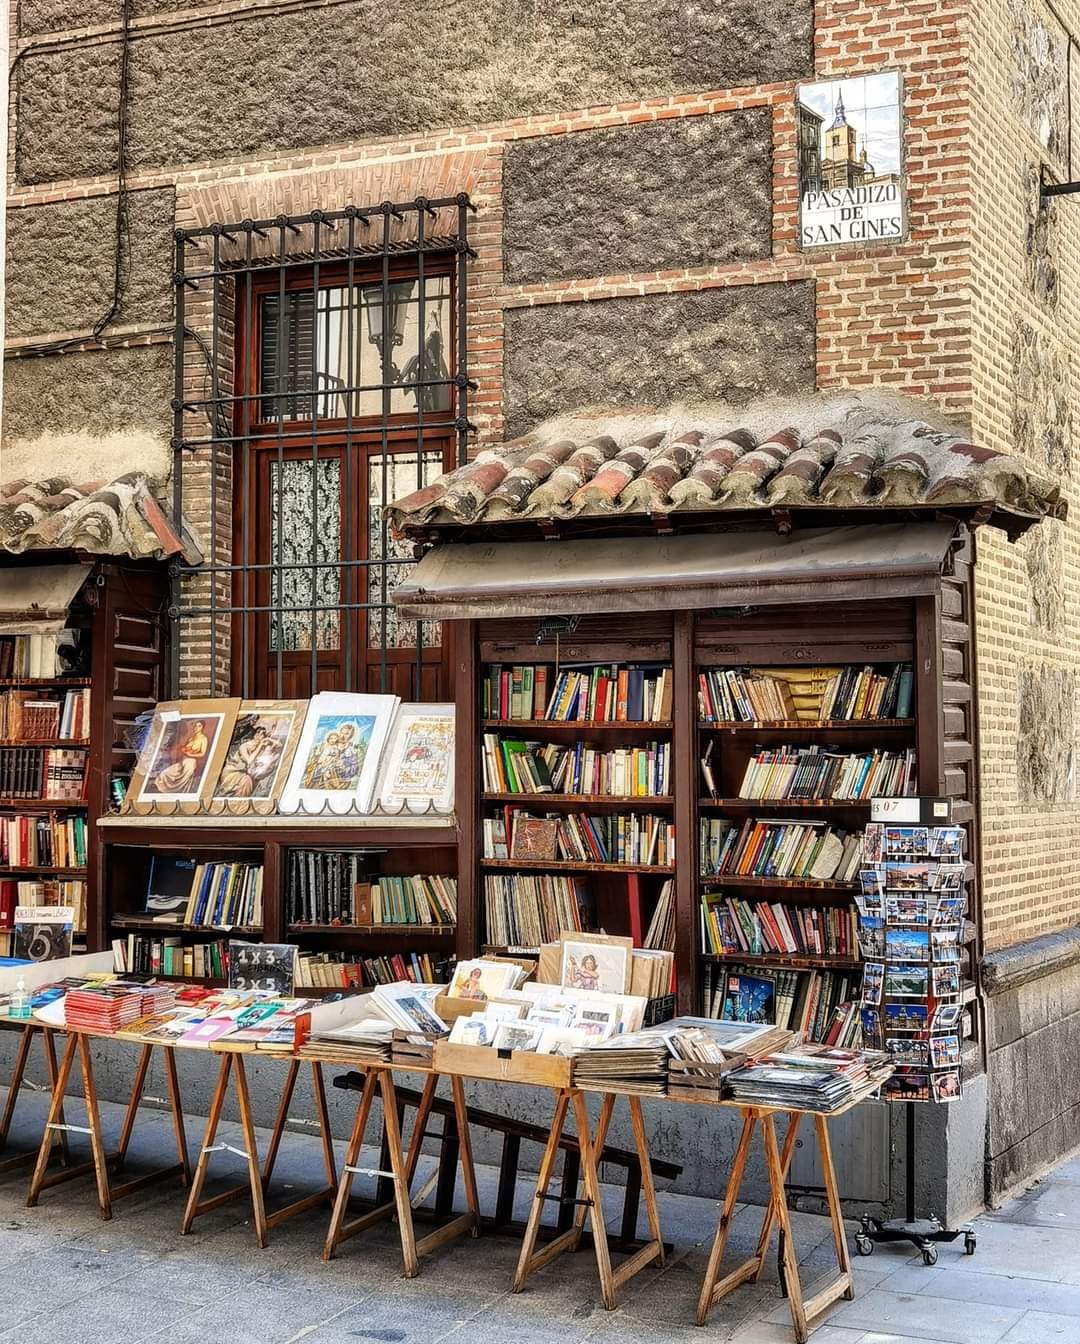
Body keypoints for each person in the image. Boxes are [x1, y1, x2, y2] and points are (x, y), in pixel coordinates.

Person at [217, 723, 283, 798]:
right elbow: (249, 761)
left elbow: (279, 746)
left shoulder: (260, 745)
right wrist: (260, 746)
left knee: (254, 778)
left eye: (264, 734)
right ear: (255, 735)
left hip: (244, 772)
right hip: (232, 772)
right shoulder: (244, 746)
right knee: (247, 780)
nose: (262, 736)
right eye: (260, 733)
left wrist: (269, 739)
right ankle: (239, 800)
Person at [153, 719, 209, 794]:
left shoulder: (204, 739)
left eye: (199, 726)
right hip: (183, 761)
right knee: (165, 772)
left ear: (202, 727)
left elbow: (203, 754)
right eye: (195, 726)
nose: (196, 728)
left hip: (191, 762)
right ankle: (162, 787)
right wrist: (183, 749)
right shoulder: (190, 739)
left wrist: (190, 754)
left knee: (185, 776)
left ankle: (177, 790)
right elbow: (184, 749)